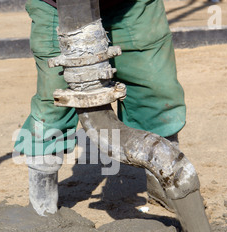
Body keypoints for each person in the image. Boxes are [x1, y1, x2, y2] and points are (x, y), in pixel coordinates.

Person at [14, 0, 186, 216]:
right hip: (54, 7)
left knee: (155, 90)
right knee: (53, 102)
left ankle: (167, 186)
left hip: (131, 6)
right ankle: (42, 199)